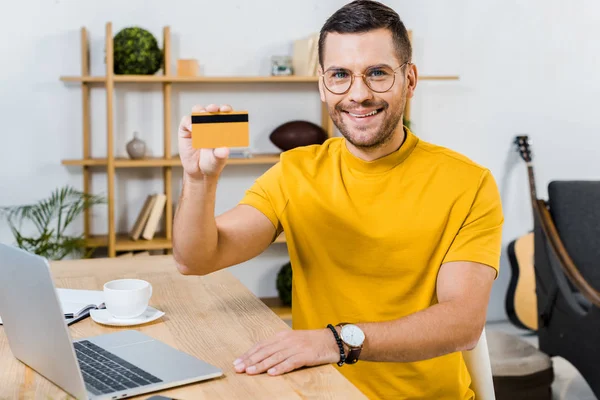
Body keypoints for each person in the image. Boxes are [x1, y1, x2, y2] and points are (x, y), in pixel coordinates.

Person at [172, 1, 503, 398]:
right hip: (317, 390)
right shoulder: (295, 172)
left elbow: (462, 323)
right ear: (322, 84)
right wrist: (197, 179)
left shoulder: (468, 183)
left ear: (410, 80)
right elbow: (197, 258)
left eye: (378, 73)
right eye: (340, 75)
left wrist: (335, 342)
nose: (358, 94)